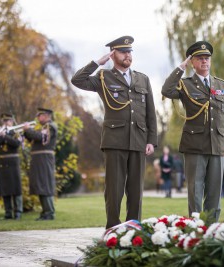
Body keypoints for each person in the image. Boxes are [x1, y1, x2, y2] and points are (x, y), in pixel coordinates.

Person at [71, 36, 157, 228]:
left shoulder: (142, 79)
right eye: (123, 51)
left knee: (136, 190)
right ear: (112, 54)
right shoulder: (103, 77)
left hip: (138, 140)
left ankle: (133, 228)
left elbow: (150, 112)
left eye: (129, 51)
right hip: (114, 140)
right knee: (114, 189)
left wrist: (151, 140)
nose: (127, 55)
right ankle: (112, 228)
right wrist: (97, 63)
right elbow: (77, 80)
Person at [162, 41, 224, 221]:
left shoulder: (221, 85)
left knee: (214, 192)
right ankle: (196, 228)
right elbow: (166, 90)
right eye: (200, 58)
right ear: (192, 62)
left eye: (207, 58)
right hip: (194, 145)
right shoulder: (186, 84)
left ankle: (211, 228)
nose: (204, 61)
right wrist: (180, 68)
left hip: (217, 144)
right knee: (195, 191)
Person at [24, 108, 57, 220]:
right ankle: (45, 212)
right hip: (39, 160)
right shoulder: (43, 127)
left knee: (44, 184)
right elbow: (34, 140)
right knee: (40, 185)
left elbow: (41, 137)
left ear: (47, 115)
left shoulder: (50, 126)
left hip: (44, 159)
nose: (38, 117)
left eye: (40, 115)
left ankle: (49, 213)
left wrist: (29, 130)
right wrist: (26, 132)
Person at [0, 113, 23, 219]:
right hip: (2, 164)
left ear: (12, 122)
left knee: (16, 188)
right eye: (4, 121)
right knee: (5, 188)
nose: (5, 123)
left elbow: (17, 143)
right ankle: (8, 213)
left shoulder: (16, 132)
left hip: (13, 163)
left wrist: (5, 136)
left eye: (7, 121)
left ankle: (18, 212)